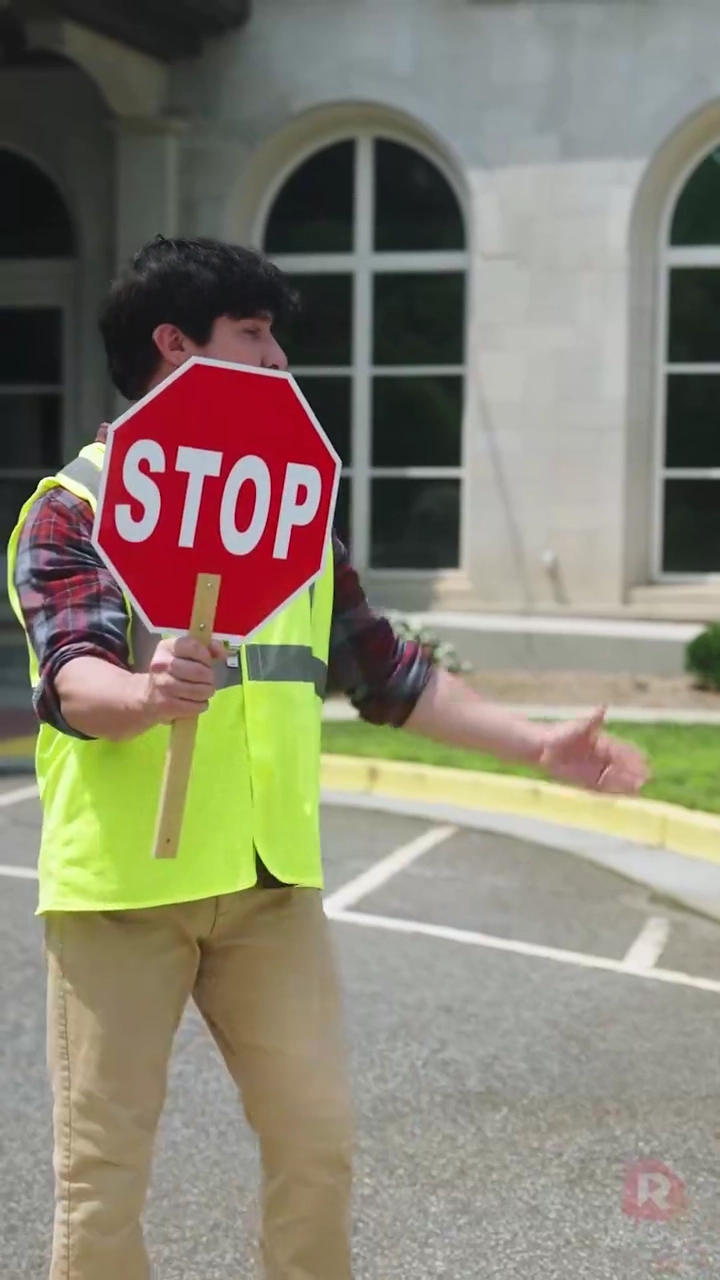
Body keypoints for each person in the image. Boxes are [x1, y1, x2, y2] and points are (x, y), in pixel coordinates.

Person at [6, 235, 649, 1280]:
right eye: (253, 334)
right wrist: (143, 692)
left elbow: (386, 670)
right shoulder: (71, 509)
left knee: (317, 1141)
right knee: (103, 1173)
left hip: (269, 885)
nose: (279, 361)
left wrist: (539, 744)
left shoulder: (290, 511)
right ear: (174, 345)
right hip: (122, 890)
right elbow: (72, 675)